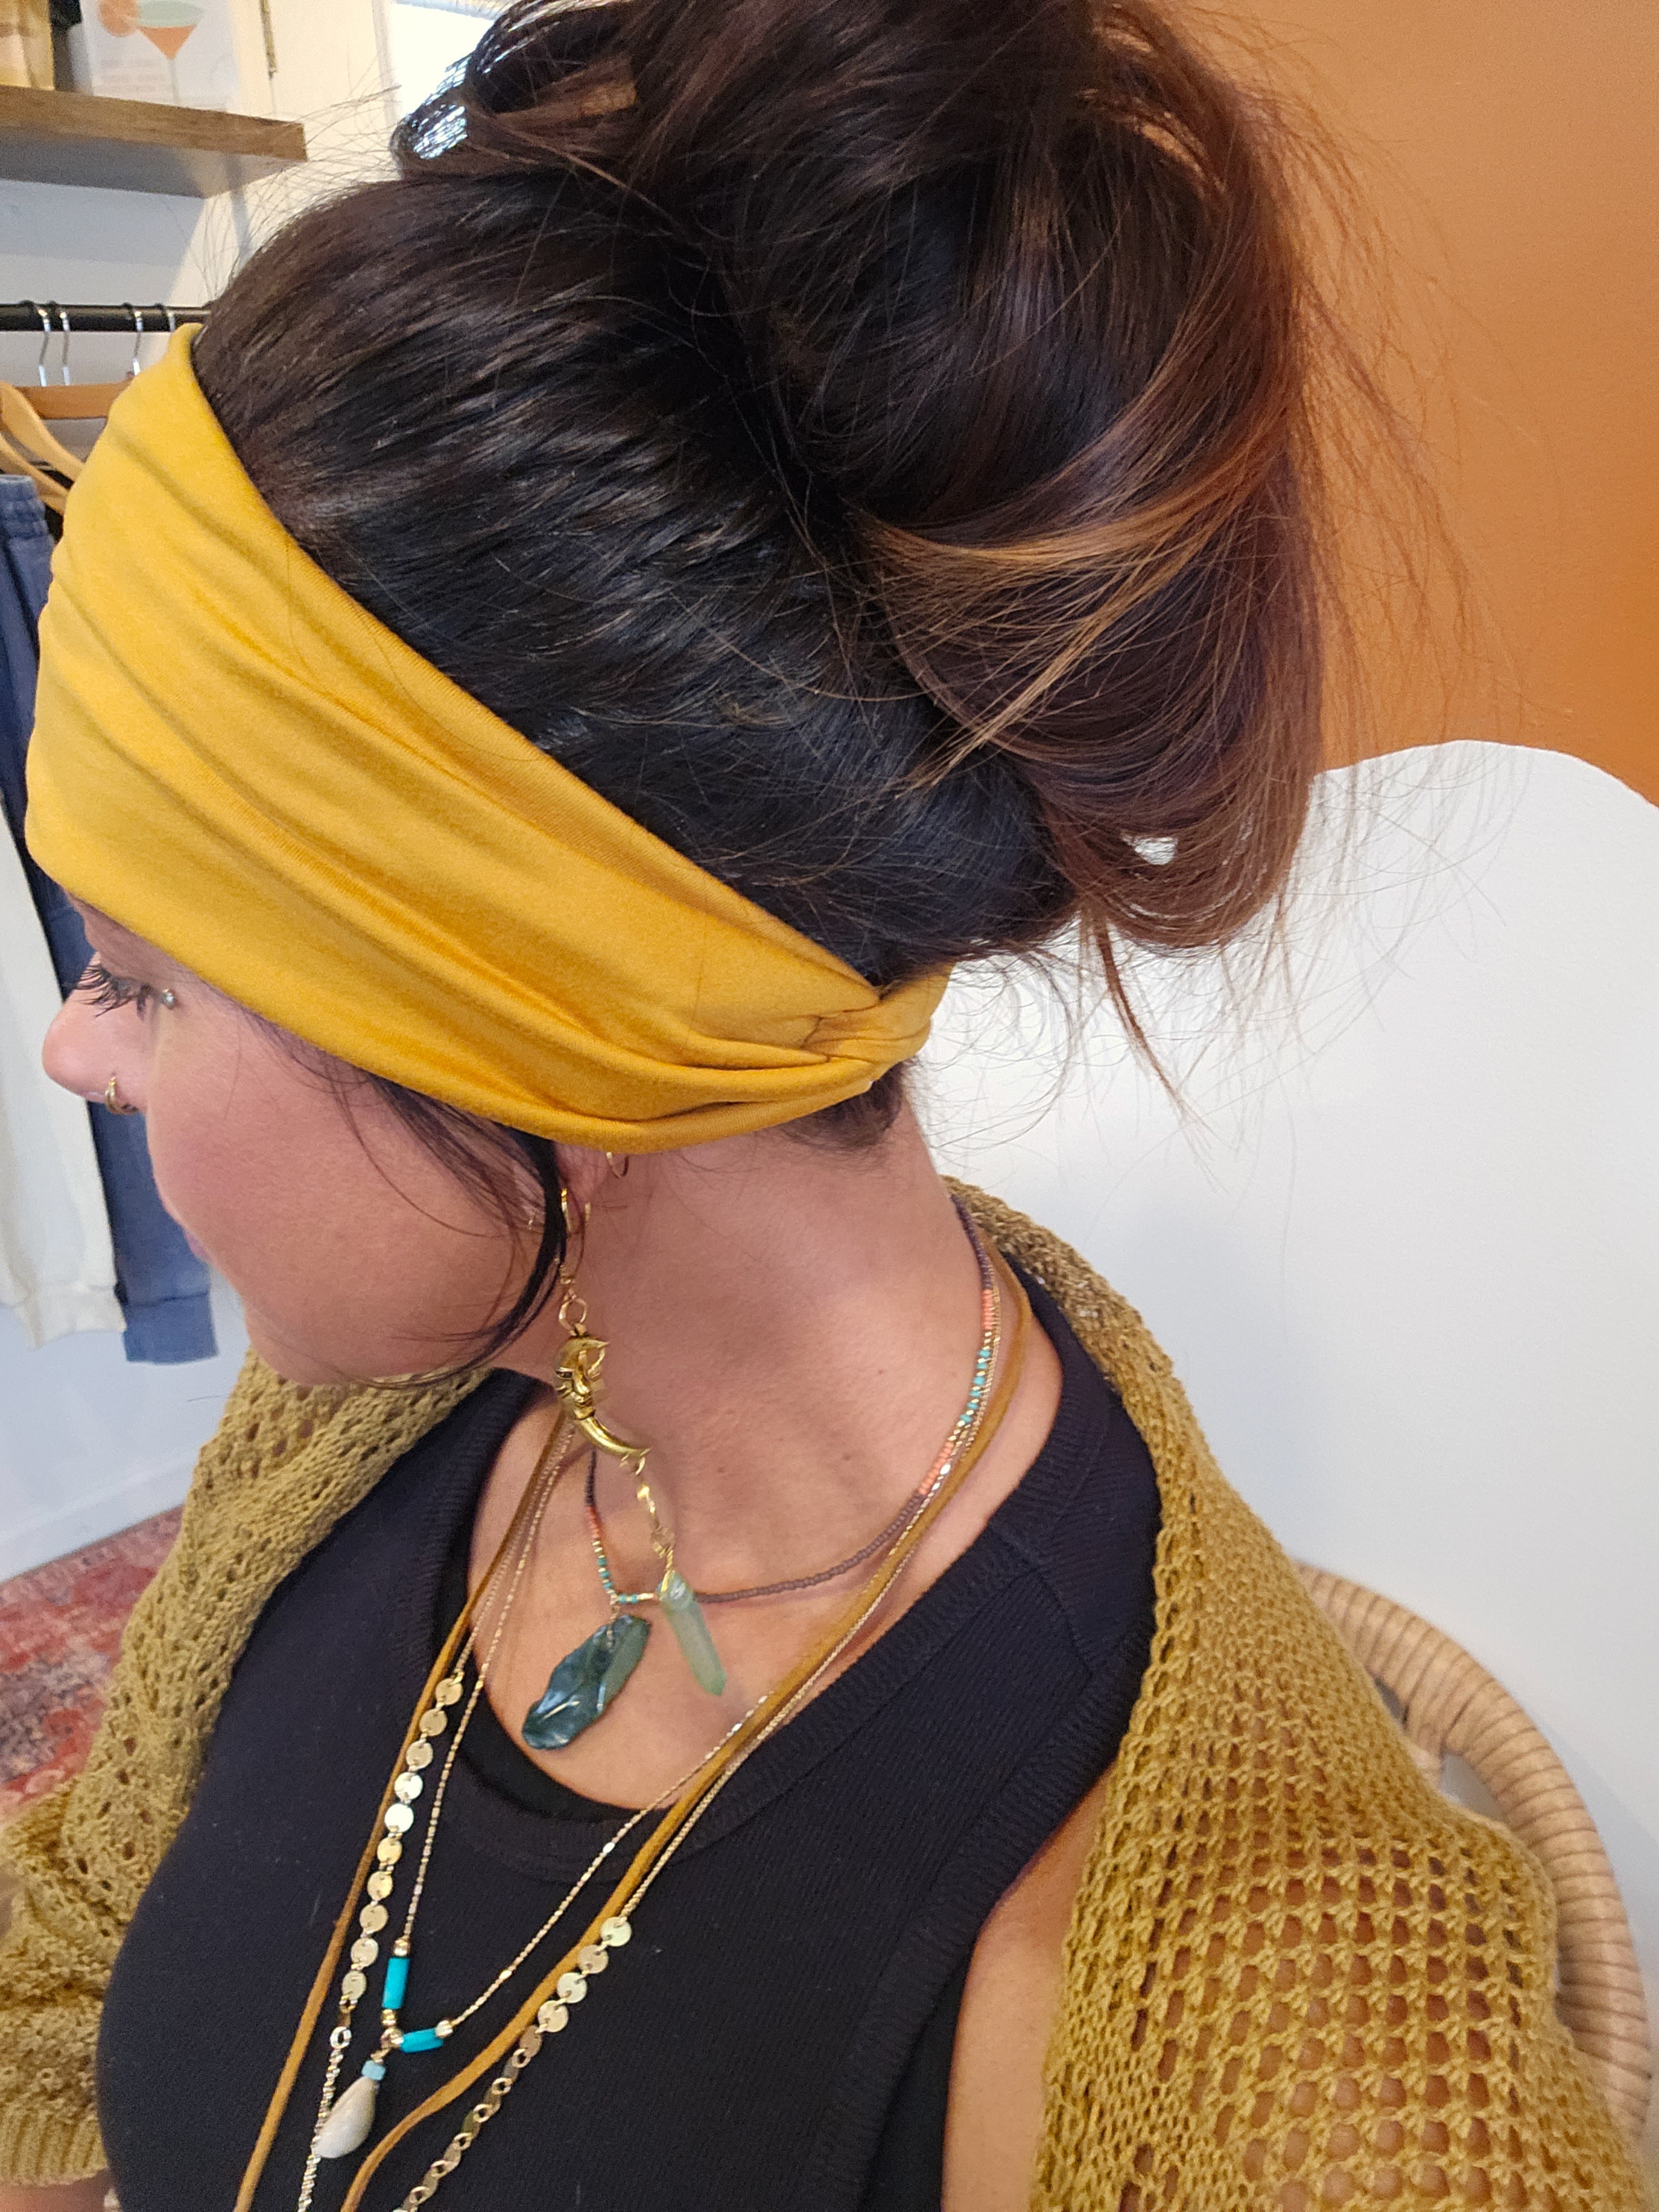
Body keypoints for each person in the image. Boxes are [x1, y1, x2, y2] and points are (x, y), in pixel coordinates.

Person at [0, 1, 1644, 2206]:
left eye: (140, 976)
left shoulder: (1303, 2088)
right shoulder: (359, 1421)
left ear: (544, 1039)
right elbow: (74, 1960)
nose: (71, 1048)